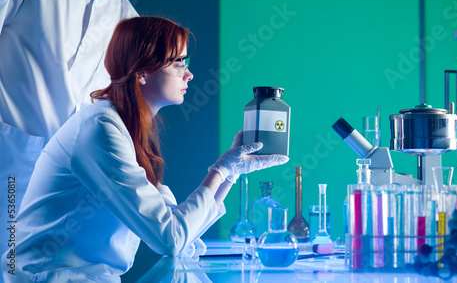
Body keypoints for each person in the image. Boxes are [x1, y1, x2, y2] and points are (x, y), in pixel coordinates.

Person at [1, 16, 288, 282]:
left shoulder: (129, 128)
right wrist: (221, 169)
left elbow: (180, 228)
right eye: (178, 64)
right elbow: (170, 239)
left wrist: (230, 173)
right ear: (141, 73)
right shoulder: (100, 130)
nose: (189, 75)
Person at [0, 0, 188, 259]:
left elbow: (126, 117)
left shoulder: (126, 23)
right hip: (7, 165)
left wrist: (166, 208)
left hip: (60, 190)